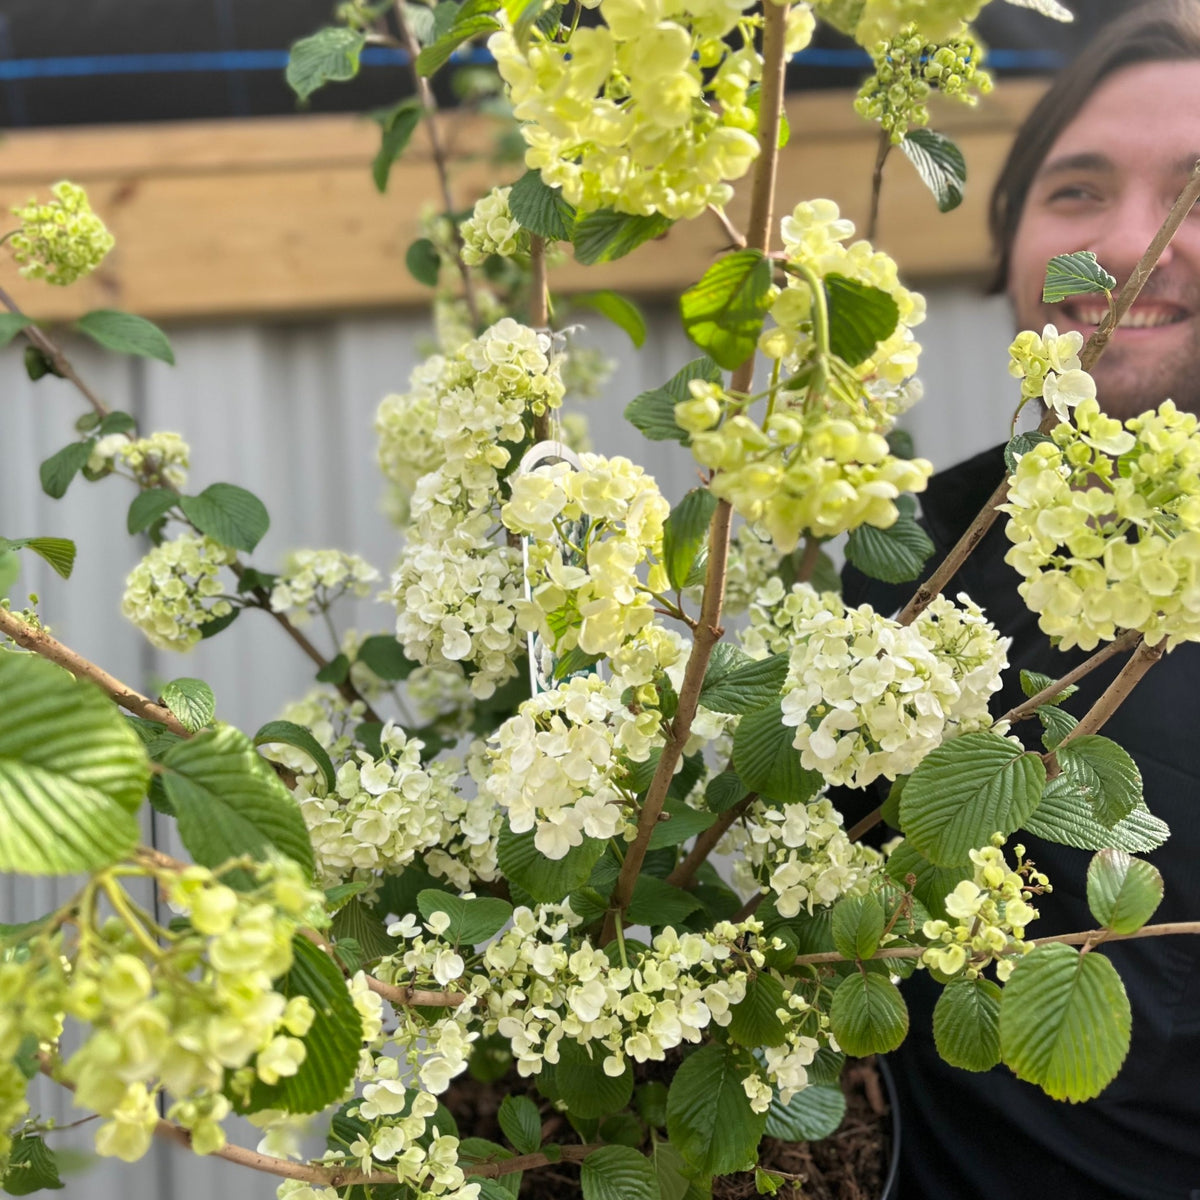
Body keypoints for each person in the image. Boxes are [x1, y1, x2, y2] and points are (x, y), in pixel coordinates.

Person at [844, 3, 1200, 1195]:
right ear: (1008, 245)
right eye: (1079, 191)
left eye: (1198, 192)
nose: (1135, 246)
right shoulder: (908, 554)